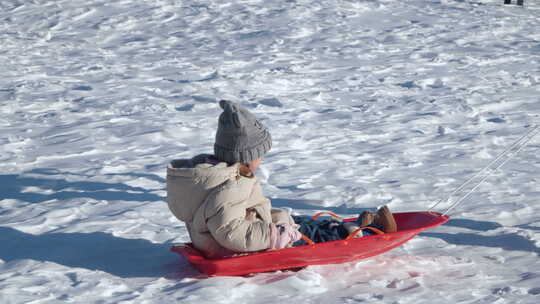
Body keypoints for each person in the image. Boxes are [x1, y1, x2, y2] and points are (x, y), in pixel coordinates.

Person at [166, 100, 397, 258]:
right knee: (312, 236)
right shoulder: (229, 186)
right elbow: (231, 232)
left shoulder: (219, 176)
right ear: (246, 156)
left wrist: (279, 220)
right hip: (245, 249)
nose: (262, 161)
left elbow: (239, 214)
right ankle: (366, 234)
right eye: (260, 156)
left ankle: (352, 227)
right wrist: (276, 234)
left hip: (250, 237)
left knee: (300, 222)